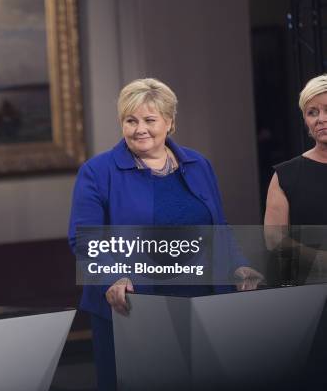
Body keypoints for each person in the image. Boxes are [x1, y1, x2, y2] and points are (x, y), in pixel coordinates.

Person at [68, 78, 262, 390]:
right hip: (134, 306)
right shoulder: (97, 171)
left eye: (149, 120)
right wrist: (113, 277)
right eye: (130, 120)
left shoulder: (199, 164)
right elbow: (84, 239)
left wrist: (238, 265)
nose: (139, 129)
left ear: (169, 122)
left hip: (203, 302)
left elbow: (219, 229)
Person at [265, 74, 327, 277]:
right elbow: (274, 238)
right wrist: (317, 258)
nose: (321, 119)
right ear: (305, 120)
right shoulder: (286, 175)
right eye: (312, 112)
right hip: (311, 288)